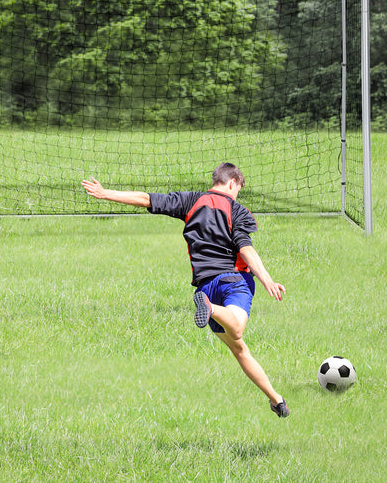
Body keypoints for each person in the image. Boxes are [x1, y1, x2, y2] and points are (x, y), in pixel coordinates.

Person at [81, 163, 289, 418]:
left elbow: (147, 199)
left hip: (206, 286)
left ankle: (275, 399)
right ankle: (211, 309)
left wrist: (106, 193)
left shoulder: (190, 201)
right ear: (233, 183)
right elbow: (244, 246)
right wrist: (266, 278)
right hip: (233, 281)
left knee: (239, 348)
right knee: (237, 327)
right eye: (238, 189)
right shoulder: (237, 210)